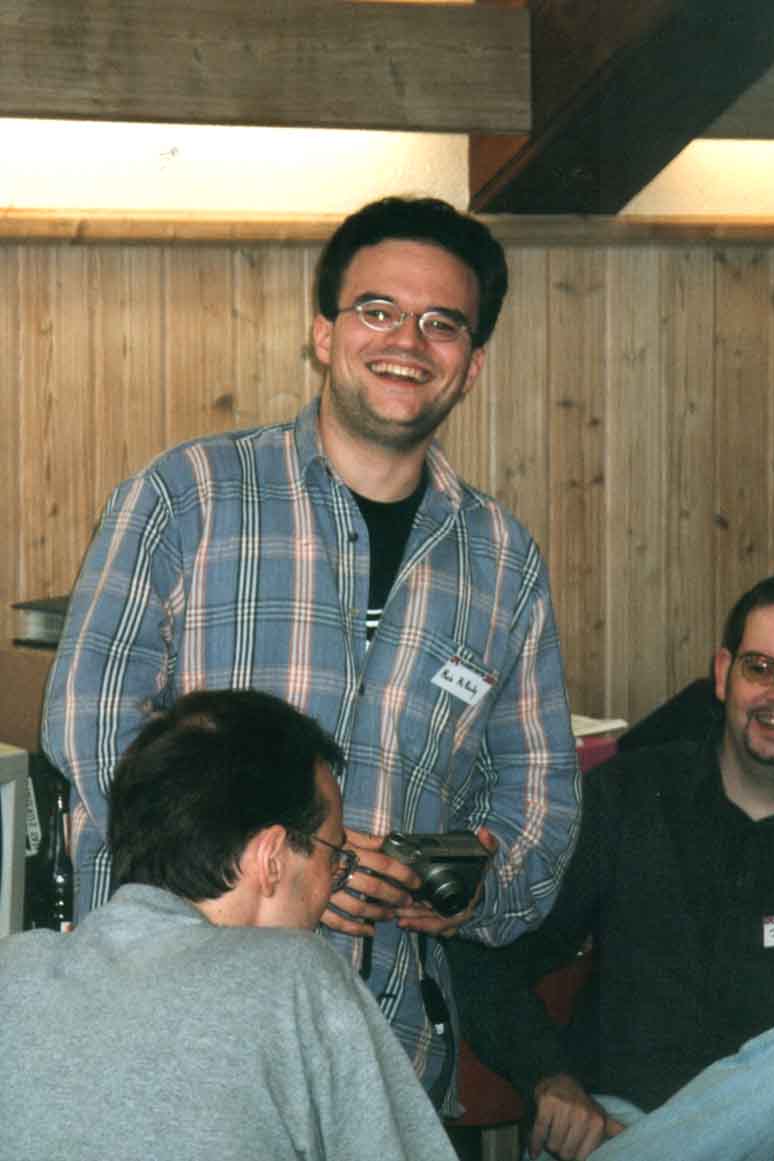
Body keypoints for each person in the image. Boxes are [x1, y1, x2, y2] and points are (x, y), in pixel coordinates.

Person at [41, 195, 580, 1107]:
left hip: (385, 1052)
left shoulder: (504, 561)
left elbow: (541, 807)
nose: (407, 341)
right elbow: (91, 735)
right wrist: (284, 863)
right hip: (172, 1028)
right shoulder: (188, 496)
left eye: (442, 323)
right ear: (324, 334)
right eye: (378, 310)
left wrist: (450, 887)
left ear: (472, 363)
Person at [0, 689, 461, 1161]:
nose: (332, 883)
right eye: (334, 856)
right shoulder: (297, 976)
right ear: (272, 858)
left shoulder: (13, 967)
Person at [447, 572, 774, 1160]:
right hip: (617, 1121)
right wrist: (549, 1077)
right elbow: (487, 956)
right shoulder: (630, 797)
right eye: (761, 668)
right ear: (722, 673)